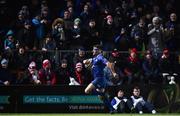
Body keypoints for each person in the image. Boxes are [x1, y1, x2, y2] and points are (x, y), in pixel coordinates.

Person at [83, 44, 118, 113]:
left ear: (99, 51)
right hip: (100, 79)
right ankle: (112, 109)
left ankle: (103, 94)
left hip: (99, 79)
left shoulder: (100, 58)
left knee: (86, 91)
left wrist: (113, 73)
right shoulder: (95, 58)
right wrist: (86, 62)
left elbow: (109, 64)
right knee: (102, 98)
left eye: (95, 49)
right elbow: (85, 61)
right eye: (93, 49)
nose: (93, 50)